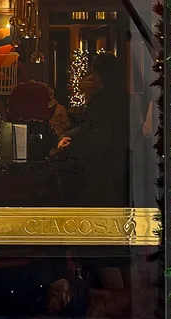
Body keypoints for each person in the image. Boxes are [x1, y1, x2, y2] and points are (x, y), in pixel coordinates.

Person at [53, 52, 130, 207]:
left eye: (93, 73)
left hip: (104, 167)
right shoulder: (122, 97)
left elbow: (92, 133)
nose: (91, 77)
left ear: (101, 75)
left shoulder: (103, 100)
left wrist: (66, 142)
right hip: (121, 163)